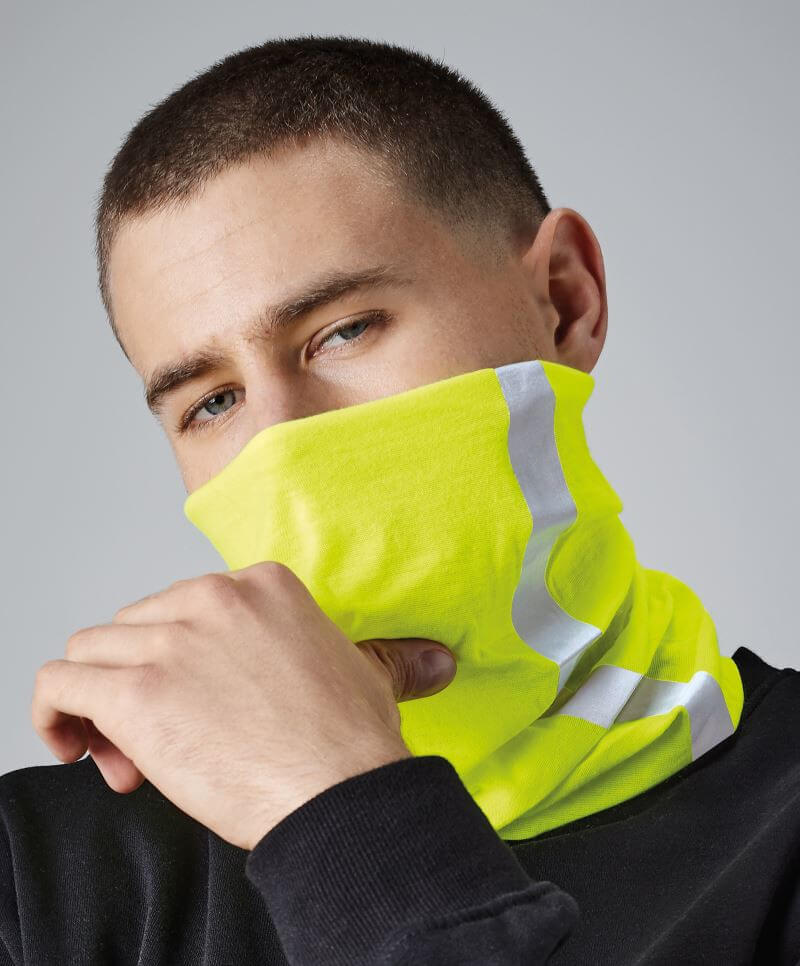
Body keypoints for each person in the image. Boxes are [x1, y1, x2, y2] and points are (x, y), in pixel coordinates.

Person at [1, 34, 798, 966]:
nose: (283, 442)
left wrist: (339, 810)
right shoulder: (38, 873)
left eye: (343, 331)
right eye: (211, 402)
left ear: (564, 301)